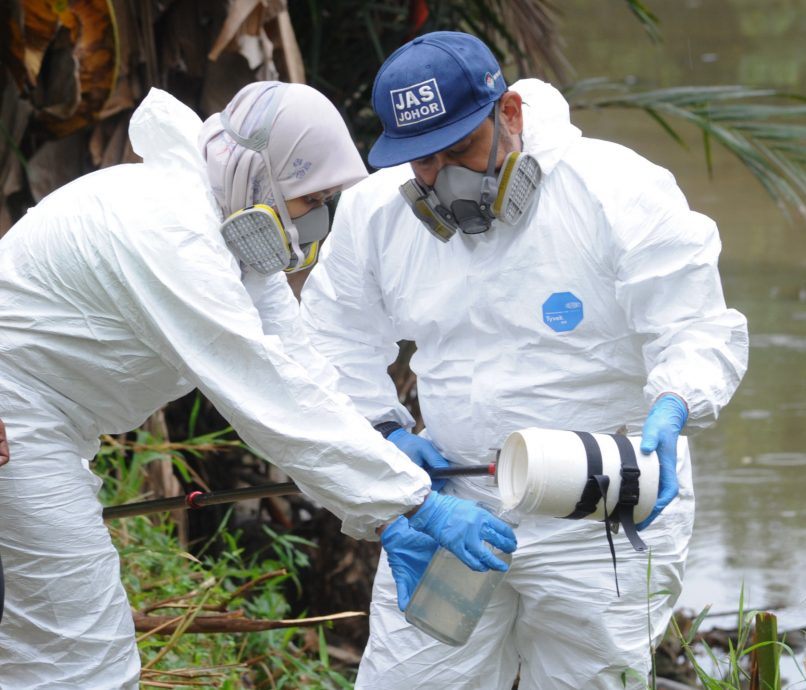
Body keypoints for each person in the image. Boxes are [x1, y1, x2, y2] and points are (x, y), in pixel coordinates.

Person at [0, 80, 516, 688]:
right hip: (17, 422)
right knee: (83, 657)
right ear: (257, 177)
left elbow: (301, 377)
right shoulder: (170, 231)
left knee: (49, 652)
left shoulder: (229, 238)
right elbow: (266, 402)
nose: (318, 220)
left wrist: (383, 491)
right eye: (311, 198)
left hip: (49, 426)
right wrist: (414, 501)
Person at [299, 31, 749, 689]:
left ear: (507, 114)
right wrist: (385, 432)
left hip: (597, 505)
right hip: (454, 507)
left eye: (460, 150)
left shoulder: (614, 189)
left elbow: (694, 325)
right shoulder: (376, 214)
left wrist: (677, 399)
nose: (440, 179)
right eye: (422, 161)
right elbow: (330, 341)